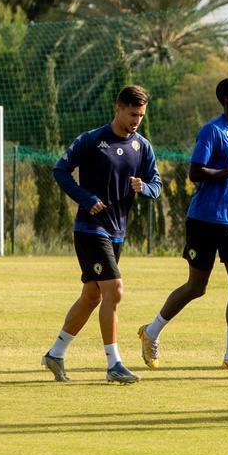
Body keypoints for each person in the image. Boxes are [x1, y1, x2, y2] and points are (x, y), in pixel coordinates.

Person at [136, 79, 228, 371]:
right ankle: (151, 331)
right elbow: (196, 173)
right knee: (197, 286)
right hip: (205, 219)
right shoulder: (212, 131)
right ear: (227, 98)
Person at [43, 85, 162, 384]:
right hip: (90, 229)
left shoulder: (142, 146)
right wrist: (85, 198)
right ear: (118, 108)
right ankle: (114, 364)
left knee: (92, 296)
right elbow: (60, 171)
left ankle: (55, 354)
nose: (137, 120)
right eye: (133, 114)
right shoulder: (92, 140)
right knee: (115, 291)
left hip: (117, 232)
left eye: (141, 115)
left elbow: (156, 184)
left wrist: (144, 188)